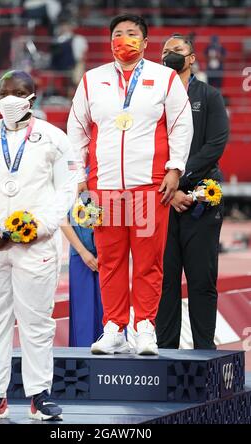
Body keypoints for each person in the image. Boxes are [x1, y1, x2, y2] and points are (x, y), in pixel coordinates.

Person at [67, 15, 193, 356]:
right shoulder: (93, 80)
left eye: (132, 34)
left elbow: (181, 125)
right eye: (118, 34)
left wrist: (175, 168)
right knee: (111, 259)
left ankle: (145, 327)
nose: (125, 39)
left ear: (146, 42)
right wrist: (79, 175)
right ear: (109, 42)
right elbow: (77, 128)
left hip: (148, 186)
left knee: (149, 260)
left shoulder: (164, 78)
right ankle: (113, 328)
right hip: (105, 186)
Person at [0, 70, 77, 421]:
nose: (10, 99)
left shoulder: (54, 138)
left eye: (18, 92)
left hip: (35, 245)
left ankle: (40, 395)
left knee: (36, 321)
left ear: (32, 97)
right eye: (5, 92)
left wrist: (41, 227)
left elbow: (67, 189)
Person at [156, 34, 229, 349]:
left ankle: (204, 354)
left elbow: (215, 145)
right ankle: (165, 354)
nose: (170, 54)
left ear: (192, 58)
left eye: (178, 50)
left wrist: (180, 181)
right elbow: (146, 148)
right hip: (163, 201)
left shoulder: (209, 96)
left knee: (201, 281)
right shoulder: (152, 99)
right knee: (164, 283)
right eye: (166, 51)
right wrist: (169, 191)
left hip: (200, 200)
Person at [61, 195, 103, 347]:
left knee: (109, 313)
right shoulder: (68, 178)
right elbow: (62, 218)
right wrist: (83, 252)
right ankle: (82, 364)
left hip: (108, 254)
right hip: (80, 255)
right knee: (83, 315)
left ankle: (115, 364)